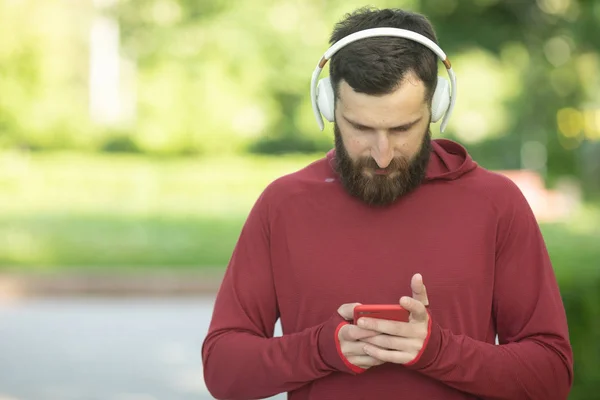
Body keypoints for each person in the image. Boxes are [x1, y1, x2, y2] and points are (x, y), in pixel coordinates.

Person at [201, 6, 573, 400]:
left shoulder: (497, 204)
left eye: (402, 129)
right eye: (361, 128)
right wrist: (322, 349)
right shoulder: (283, 204)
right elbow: (224, 371)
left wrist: (437, 351)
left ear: (437, 106)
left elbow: (550, 377)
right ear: (328, 106)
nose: (381, 154)